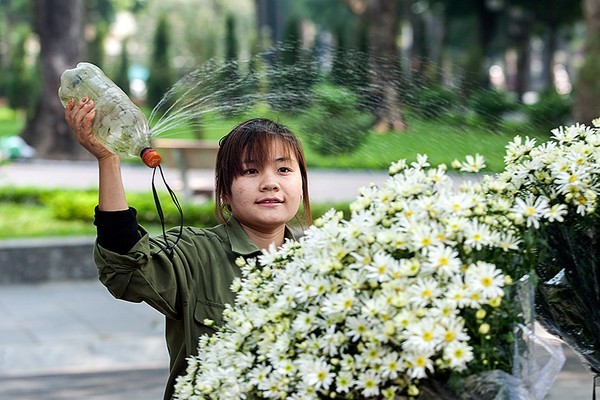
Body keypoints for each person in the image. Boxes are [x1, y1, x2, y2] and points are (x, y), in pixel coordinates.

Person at [65, 97, 312, 399]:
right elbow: (125, 263)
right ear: (225, 193)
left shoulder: (323, 259)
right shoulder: (194, 254)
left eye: (284, 170)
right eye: (250, 171)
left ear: (302, 183)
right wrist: (109, 160)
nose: (270, 183)